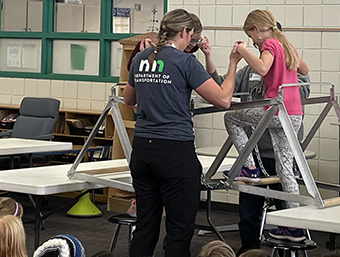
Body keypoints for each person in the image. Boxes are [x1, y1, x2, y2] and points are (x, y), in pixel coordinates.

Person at [123, 8, 241, 257]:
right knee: (178, 229)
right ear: (185, 32)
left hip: (143, 149)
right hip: (174, 150)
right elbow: (223, 99)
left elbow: (127, 98)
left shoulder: (141, 58)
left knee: (145, 224)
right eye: (192, 36)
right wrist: (232, 65)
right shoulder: (186, 62)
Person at [200, 32, 309, 252]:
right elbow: (222, 86)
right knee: (248, 211)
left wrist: (279, 77)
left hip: (279, 142)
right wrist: (208, 56)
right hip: (256, 148)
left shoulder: (288, 60)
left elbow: (304, 91)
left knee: (284, 204)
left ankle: (290, 244)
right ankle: (249, 251)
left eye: (256, 38)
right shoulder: (251, 68)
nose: (256, 44)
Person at [222, 9, 305, 242]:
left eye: (251, 35)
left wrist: (242, 51)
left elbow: (262, 68)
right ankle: (294, 225)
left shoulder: (269, 45)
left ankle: (248, 166)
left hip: (275, 111)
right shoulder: (286, 46)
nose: (252, 41)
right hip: (293, 114)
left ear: (257, 30)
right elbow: (304, 70)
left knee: (231, 117)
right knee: (285, 170)